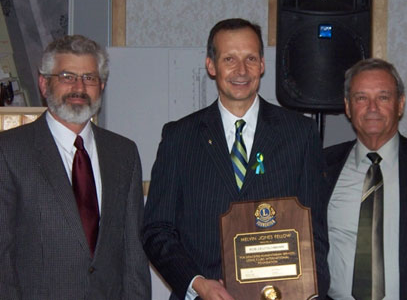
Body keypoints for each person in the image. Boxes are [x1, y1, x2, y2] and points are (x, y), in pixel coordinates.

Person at [143, 18, 329, 300]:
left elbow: (314, 229)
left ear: (262, 65)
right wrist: (197, 283)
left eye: (250, 58)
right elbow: (157, 230)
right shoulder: (179, 138)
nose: (241, 70)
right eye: (229, 58)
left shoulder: (300, 134)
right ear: (211, 66)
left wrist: (309, 290)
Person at [0, 35, 152, 299]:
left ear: (102, 86)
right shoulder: (10, 150)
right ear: (44, 83)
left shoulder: (123, 153)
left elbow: (133, 255)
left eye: (89, 78)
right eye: (67, 76)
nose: (79, 87)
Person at [325, 58, 407, 300]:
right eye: (361, 98)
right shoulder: (321, 167)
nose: (372, 107)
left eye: (383, 97)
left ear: (400, 104)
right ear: (348, 107)